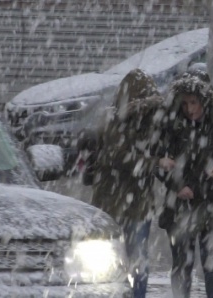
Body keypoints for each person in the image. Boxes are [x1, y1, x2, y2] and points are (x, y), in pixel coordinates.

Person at [157, 69, 213, 298]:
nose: (190, 109)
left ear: (205, 100)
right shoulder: (172, 122)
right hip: (180, 207)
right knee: (181, 269)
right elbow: (158, 161)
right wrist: (177, 186)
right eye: (185, 104)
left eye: (194, 103)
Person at [89, 68, 168, 298]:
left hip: (134, 205)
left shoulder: (151, 122)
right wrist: (155, 162)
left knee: (135, 260)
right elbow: (119, 157)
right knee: (119, 260)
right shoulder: (116, 122)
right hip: (116, 204)